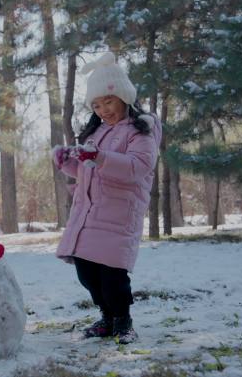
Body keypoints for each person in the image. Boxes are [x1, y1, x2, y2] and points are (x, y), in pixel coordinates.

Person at [52, 52, 162, 344]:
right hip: (89, 214)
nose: (103, 110)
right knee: (87, 273)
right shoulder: (97, 132)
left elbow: (138, 167)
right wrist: (67, 162)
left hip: (119, 214)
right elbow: (89, 172)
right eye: (97, 105)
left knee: (112, 275)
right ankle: (106, 317)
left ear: (125, 97)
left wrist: (99, 157)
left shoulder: (142, 130)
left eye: (108, 102)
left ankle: (123, 321)